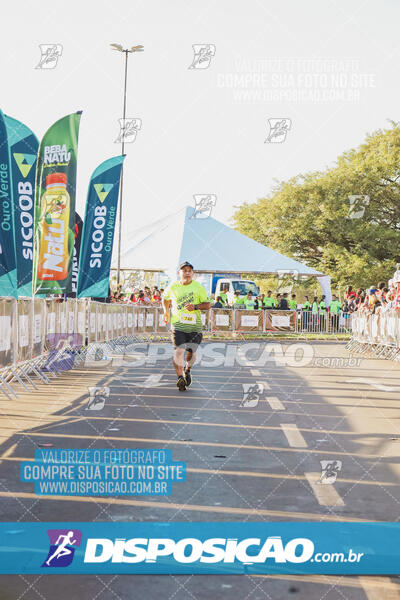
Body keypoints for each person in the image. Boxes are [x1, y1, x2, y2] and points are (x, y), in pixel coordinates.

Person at [162, 261, 210, 392]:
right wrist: (166, 311)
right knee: (179, 351)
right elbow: (165, 298)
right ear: (179, 273)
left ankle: (187, 369)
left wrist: (195, 307)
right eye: (184, 270)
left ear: (193, 273)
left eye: (190, 271)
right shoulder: (173, 286)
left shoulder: (198, 287)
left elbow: (207, 305)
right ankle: (179, 378)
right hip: (178, 325)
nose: (187, 273)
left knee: (191, 353)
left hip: (195, 327)